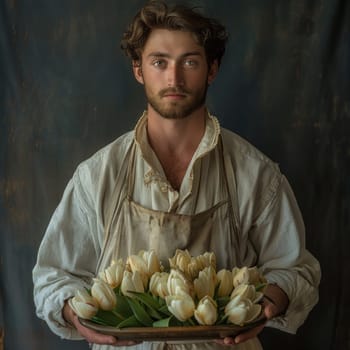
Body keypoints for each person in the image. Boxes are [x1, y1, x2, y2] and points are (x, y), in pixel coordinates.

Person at [32, 1, 321, 349]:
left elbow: (296, 270)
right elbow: (52, 277)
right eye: (159, 62)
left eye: (190, 61)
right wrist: (75, 312)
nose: (174, 78)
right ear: (138, 69)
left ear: (212, 69)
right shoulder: (97, 175)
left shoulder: (255, 173)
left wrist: (269, 301)